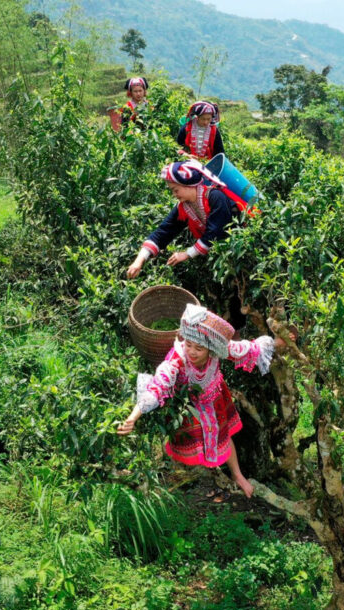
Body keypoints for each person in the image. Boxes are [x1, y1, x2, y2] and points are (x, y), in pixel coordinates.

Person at [116, 304, 284, 498]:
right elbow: (158, 386)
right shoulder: (177, 360)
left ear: (210, 348)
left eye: (199, 348)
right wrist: (133, 417)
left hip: (214, 397)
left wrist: (279, 342)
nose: (192, 352)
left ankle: (238, 476)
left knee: (223, 434)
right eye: (188, 345)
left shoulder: (218, 349)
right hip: (186, 405)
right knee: (189, 443)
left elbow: (246, 348)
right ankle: (178, 476)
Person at [126, 160, 247, 276]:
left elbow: (215, 232)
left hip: (240, 252)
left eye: (176, 190)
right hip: (221, 259)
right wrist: (138, 261)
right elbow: (163, 232)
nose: (174, 194)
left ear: (188, 185)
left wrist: (187, 254)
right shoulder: (184, 207)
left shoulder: (215, 197)